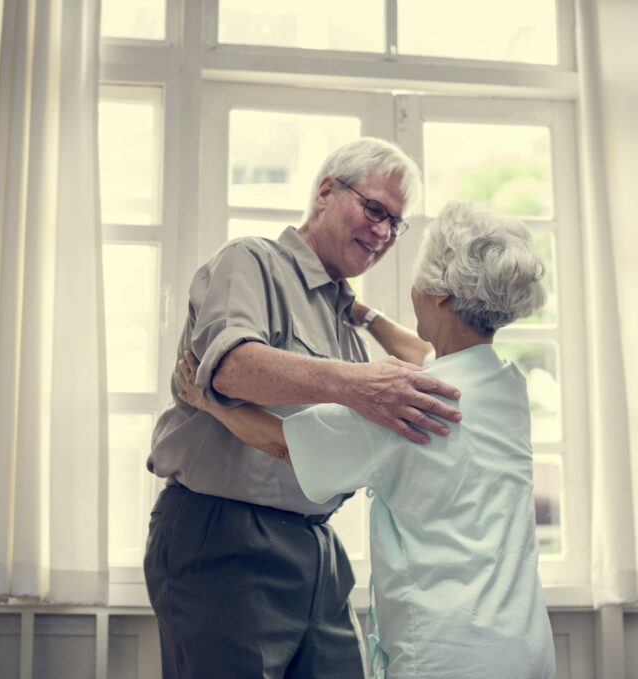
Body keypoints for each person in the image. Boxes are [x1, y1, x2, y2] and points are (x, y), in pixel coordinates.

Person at [175, 201, 556, 678]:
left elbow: (283, 443)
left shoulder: (403, 405)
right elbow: (430, 354)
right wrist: (365, 315)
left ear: (437, 294)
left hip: (448, 652)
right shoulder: (505, 385)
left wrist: (207, 401)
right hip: (522, 645)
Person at [144, 137, 463, 679]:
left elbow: (434, 362)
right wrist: (359, 383)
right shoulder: (251, 261)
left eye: (395, 223)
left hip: (318, 547)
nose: (384, 233)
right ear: (325, 192)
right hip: (225, 537)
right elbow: (230, 368)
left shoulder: (342, 313)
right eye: (374, 210)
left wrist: (362, 316)